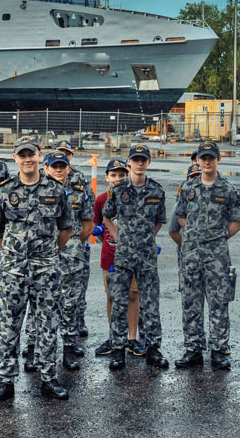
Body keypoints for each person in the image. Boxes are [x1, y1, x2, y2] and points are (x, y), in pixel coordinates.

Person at [0, 137, 72, 403]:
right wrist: (15, 255)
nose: (27, 159)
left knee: (47, 323)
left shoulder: (56, 190)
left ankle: (48, 378)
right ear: (15, 157)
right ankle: (5, 379)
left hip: (46, 269)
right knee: (8, 324)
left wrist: (48, 255)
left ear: (39, 156)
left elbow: (66, 227)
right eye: (22, 155)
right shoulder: (3, 191)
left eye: (31, 154)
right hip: (13, 270)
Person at [172, 141, 240, 371]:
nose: (207, 162)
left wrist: (217, 237)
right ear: (198, 160)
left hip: (217, 256)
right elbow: (180, 217)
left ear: (218, 159)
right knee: (191, 302)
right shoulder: (188, 188)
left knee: (219, 303)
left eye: (211, 157)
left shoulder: (228, 189)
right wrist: (195, 234)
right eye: (203, 158)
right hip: (191, 255)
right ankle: (193, 349)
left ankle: (220, 350)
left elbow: (236, 223)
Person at [101, 143, 169, 371]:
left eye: (144, 160)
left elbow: (160, 220)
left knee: (150, 303)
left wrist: (148, 237)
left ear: (149, 163)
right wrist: (119, 237)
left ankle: (153, 349)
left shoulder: (157, 191)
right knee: (119, 301)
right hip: (124, 256)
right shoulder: (119, 190)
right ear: (129, 163)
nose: (140, 163)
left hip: (147, 255)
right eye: (136, 160)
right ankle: (118, 349)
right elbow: (107, 216)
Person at [46, 150, 94, 371]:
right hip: (44, 254)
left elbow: (87, 224)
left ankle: (68, 347)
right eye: (54, 166)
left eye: (61, 166)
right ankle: (35, 348)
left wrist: (73, 243)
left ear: (68, 168)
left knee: (70, 303)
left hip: (72, 254)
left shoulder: (79, 191)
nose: (58, 170)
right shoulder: (37, 190)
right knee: (43, 303)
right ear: (46, 168)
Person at [92, 159, 141, 357]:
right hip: (110, 255)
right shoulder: (102, 200)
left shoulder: (136, 197)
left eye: (122, 175)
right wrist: (112, 243)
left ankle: (131, 337)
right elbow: (99, 228)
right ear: (107, 178)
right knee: (112, 296)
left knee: (132, 295)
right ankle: (114, 336)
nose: (118, 179)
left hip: (133, 256)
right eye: (114, 175)